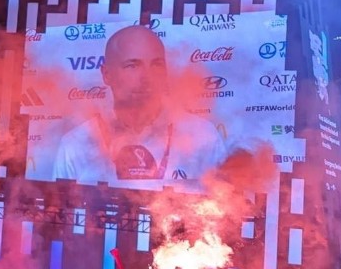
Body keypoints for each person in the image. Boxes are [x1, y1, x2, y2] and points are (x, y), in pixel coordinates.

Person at [53, 25, 226, 187]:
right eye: (132, 66)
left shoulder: (203, 136)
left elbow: (227, 207)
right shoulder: (76, 144)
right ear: (107, 74)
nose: (147, 77)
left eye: (156, 64)